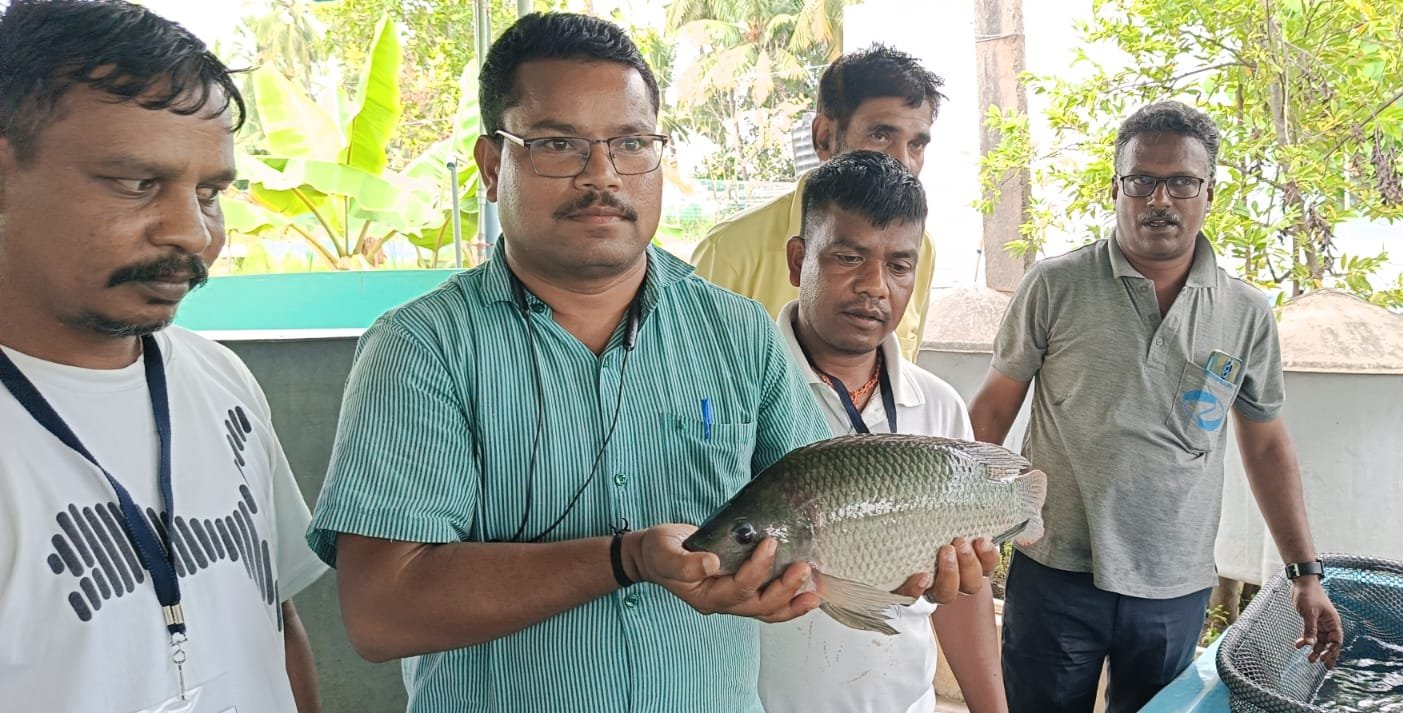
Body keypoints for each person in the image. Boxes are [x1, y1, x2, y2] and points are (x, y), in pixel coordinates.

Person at [306, 14, 991, 713]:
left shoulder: (735, 332)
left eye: (631, 143)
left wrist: (915, 549)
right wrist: (622, 558)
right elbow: (380, 611)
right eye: (557, 144)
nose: (601, 174)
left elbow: (820, 512)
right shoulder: (421, 349)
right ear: (491, 165)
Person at [0, 1, 326, 711]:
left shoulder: (220, 378)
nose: (193, 232)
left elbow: (274, 619)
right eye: (136, 183)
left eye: (209, 192)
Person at [968, 101, 1343, 713]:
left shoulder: (1245, 312)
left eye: (1181, 182)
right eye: (1141, 180)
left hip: (1175, 584)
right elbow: (989, 416)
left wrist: (1305, 572)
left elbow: (1267, 444)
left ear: (1208, 193)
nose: (1159, 199)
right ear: (1116, 188)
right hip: (1056, 567)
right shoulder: (1054, 286)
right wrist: (962, 531)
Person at [759, 150, 1008, 713]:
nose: (875, 286)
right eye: (849, 257)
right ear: (799, 261)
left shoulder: (938, 406)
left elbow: (960, 591)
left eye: (899, 266)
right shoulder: (740, 396)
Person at [693, 44, 944, 360]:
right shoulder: (729, 250)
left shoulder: (922, 250)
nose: (903, 162)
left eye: (917, 145)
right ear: (823, 136)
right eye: (881, 136)